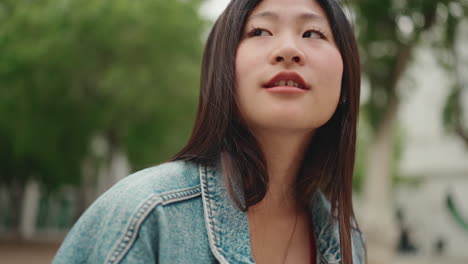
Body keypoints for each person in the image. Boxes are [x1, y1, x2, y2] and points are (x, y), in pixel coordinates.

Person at [53, 0, 366, 263]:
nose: (288, 50)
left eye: (312, 33)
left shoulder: (347, 242)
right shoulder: (147, 213)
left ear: (345, 82)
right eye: (259, 31)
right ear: (222, 70)